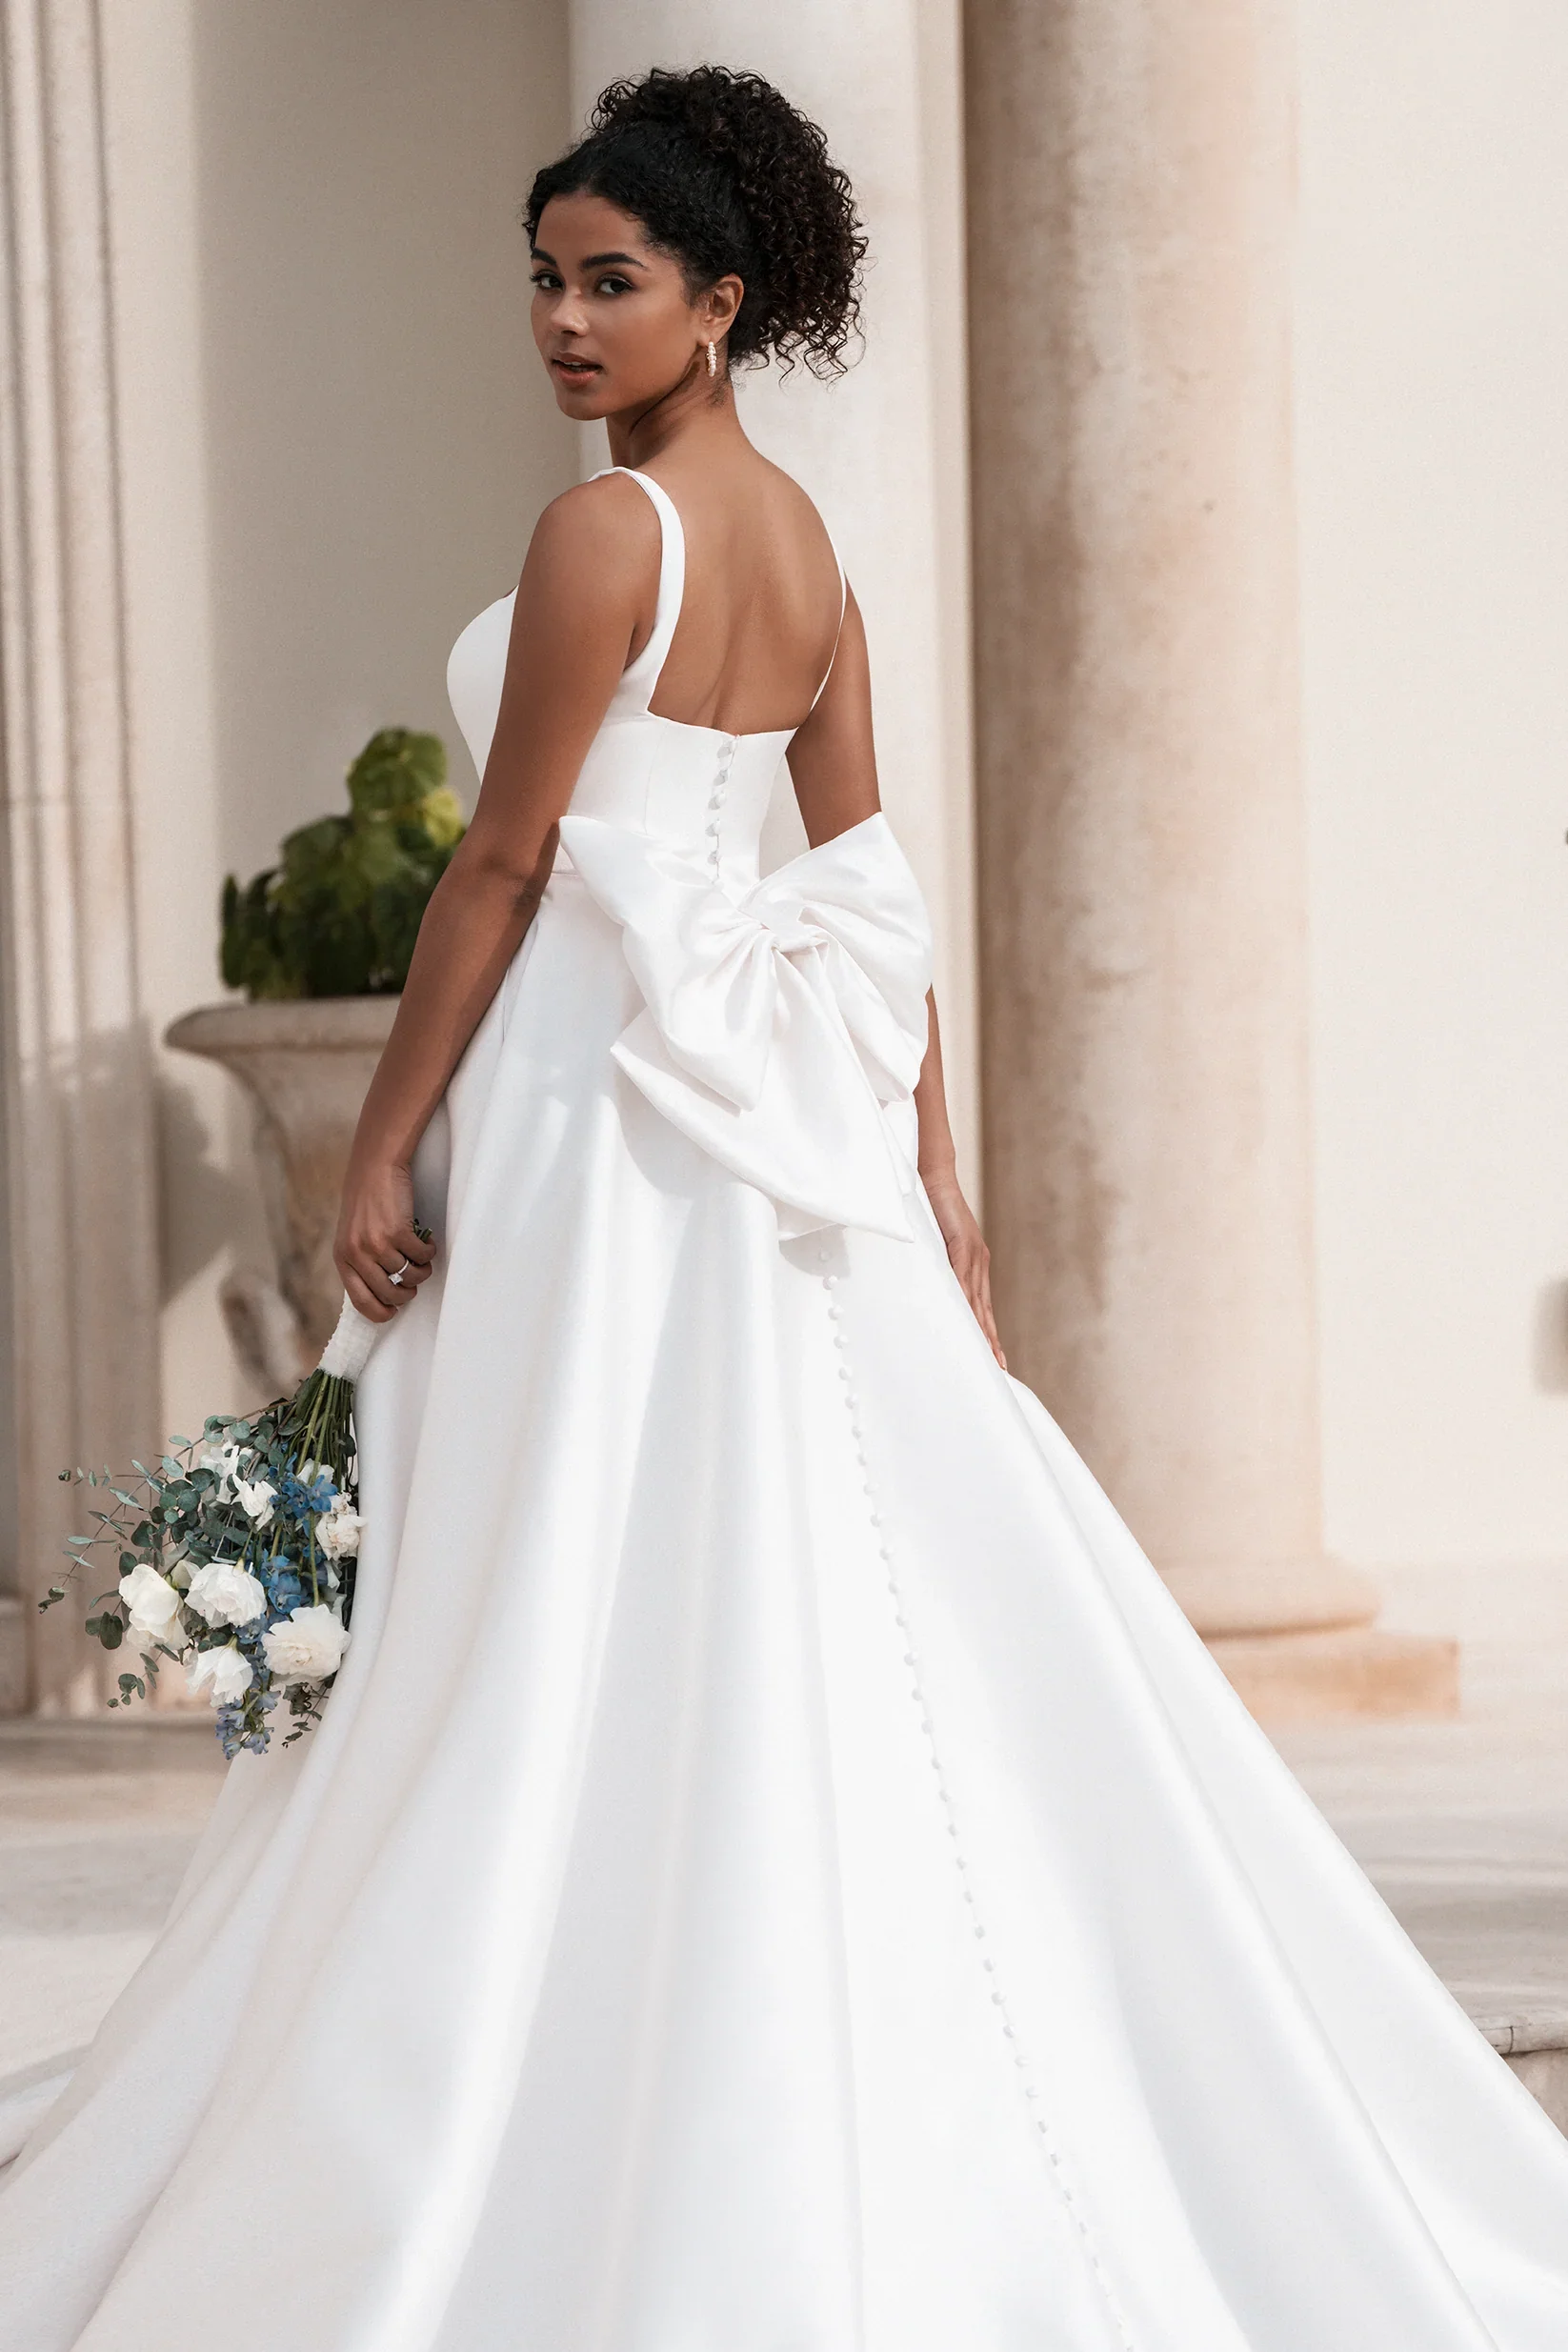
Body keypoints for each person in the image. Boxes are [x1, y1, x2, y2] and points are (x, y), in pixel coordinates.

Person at [2, 63, 1565, 2352]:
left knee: (548, 1563)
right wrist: (925, 1176)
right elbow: (862, 896)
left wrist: (377, 1133)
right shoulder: (811, 546)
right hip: (761, 1130)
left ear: (720, 301)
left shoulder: (600, 541)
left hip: (581, 1117)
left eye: (608, 283)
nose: (560, 319)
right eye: (540, 279)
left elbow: (508, 859)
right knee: (762, 1555)